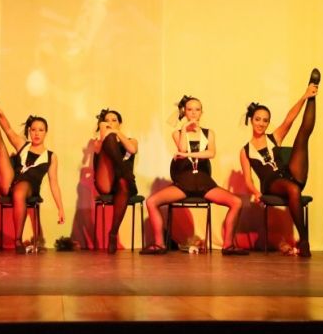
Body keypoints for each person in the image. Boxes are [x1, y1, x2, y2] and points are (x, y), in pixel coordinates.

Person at [140, 95, 247, 255]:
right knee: (151, 201)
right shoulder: (177, 133)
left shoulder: (209, 133)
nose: (193, 113)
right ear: (184, 112)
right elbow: (182, 149)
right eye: (190, 109)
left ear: (201, 112)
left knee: (236, 202)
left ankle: (228, 245)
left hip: (204, 183)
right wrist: (184, 130)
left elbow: (211, 153)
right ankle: (159, 244)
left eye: (197, 110)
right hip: (184, 183)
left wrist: (190, 154)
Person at [239, 68, 321, 257]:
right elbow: (248, 181)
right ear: (251, 121)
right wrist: (257, 193)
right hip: (272, 184)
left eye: (265, 121)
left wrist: (304, 96)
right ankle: (304, 240)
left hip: (290, 174)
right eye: (258, 120)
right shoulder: (245, 150)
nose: (261, 123)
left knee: (302, 135)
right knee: (293, 190)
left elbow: (289, 119)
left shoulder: (273, 137)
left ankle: (313, 90)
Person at [0, 88, 65, 253]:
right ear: (30, 131)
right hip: (9, 182)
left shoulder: (51, 156)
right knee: (0, 149)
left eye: (40, 130)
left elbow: (54, 184)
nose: (36, 133)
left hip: (28, 188)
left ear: (46, 133)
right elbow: (7, 130)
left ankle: (18, 239)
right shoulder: (23, 144)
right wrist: (0, 112)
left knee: (21, 189)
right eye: (33, 129)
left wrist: (60, 208)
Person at [91, 108, 138, 254]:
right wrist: (105, 132)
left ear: (120, 123)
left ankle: (113, 233)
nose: (110, 123)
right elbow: (102, 146)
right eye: (107, 121)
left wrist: (116, 132)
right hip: (106, 181)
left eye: (114, 120)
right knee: (109, 140)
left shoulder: (131, 140)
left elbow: (132, 149)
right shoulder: (98, 142)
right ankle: (122, 169)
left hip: (124, 183)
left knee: (123, 182)